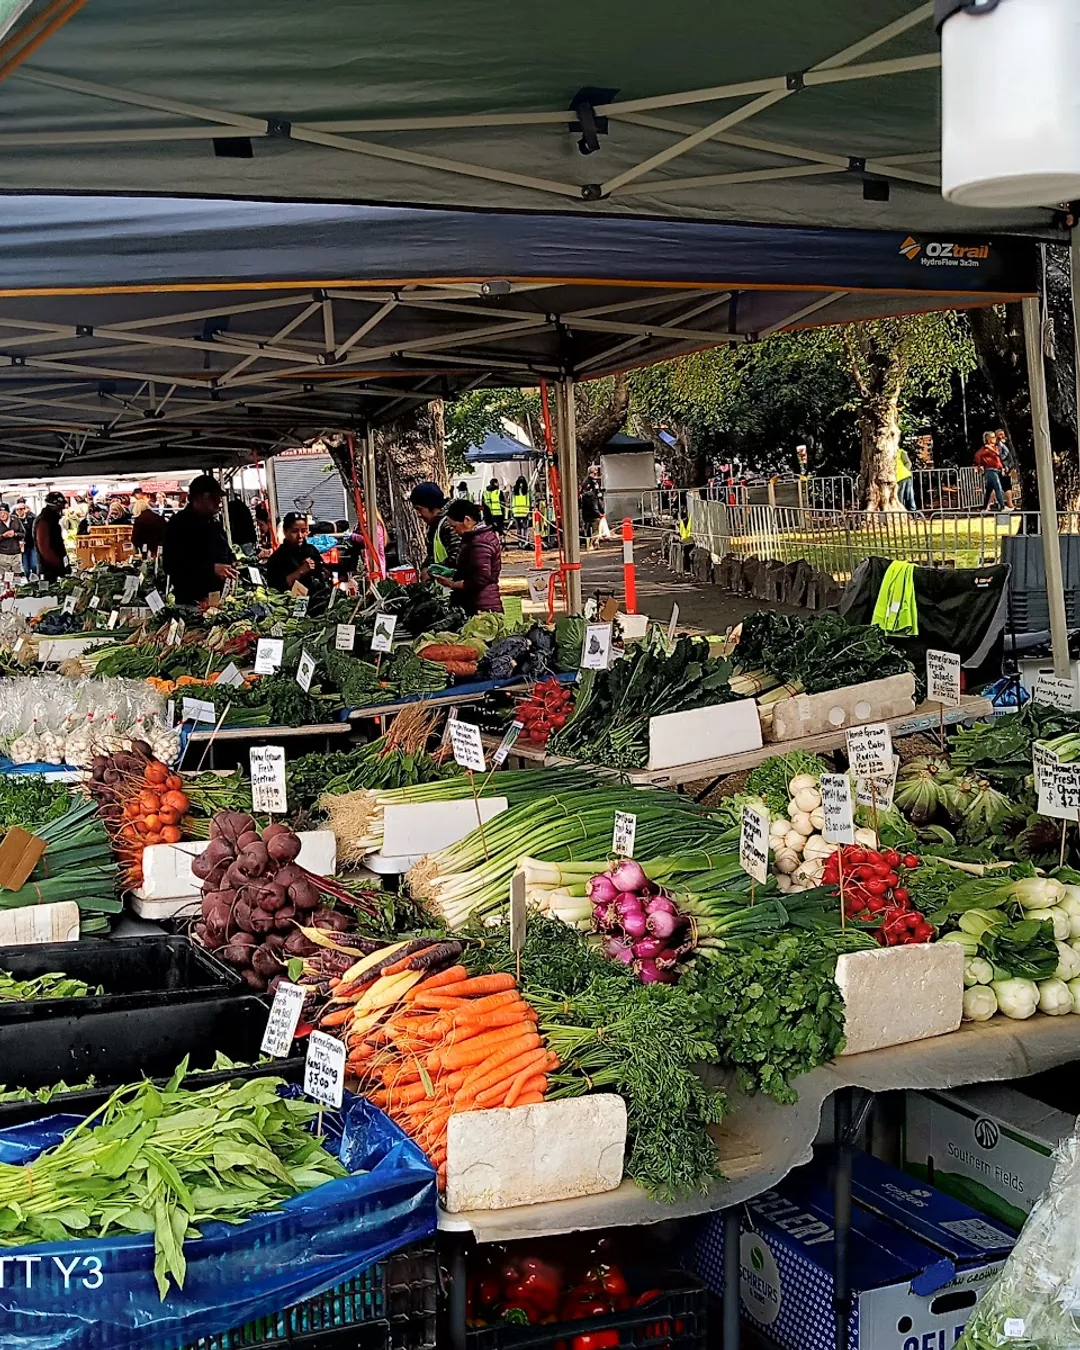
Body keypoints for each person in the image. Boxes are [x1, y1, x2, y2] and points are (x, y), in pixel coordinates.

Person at [162, 474, 237, 605]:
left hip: (217, 598)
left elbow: (224, 548)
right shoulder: (178, 525)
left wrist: (232, 560)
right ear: (199, 498)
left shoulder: (213, 522)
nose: (219, 501)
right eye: (214, 497)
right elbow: (171, 564)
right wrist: (211, 568)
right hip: (192, 600)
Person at [434, 499, 503, 614]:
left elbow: (480, 578)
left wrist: (452, 584)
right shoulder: (477, 538)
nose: (454, 531)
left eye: (454, 526)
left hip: (482, 606)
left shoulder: (479, 543)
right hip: (481, 602)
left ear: (467, 520)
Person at [265, 512, 329, 594]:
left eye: (303, 531)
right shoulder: (277, 558)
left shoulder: (312, 550)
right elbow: (275, 587)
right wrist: (300, 571)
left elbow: (324, 576)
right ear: (285, 531)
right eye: (294, 531)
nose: (300, 535)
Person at [408, 482, 460, 581]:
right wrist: (426, 566)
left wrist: (432, 572)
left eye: (419, 509)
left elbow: (457, 558)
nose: (419, 514)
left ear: (432, 506)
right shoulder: (436, 525)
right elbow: (433, 554)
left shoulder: (449, 524)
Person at [34, 491, 68, 582]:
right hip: (48, 569)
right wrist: (58, 564)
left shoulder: (51, 520)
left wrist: (64, 563)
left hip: (52, 566)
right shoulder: (44, 521)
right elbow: (45, 548)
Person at [975, 431, 1007, 513]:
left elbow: (998, 459)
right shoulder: (985, 449)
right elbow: (977, 456)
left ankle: (984, 508)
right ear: (988, 439)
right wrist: (979, 466)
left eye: (995, 437)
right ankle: (1002, 506)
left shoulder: (995, 447)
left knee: (989, 490)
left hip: (997, 470)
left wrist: (1002, 467)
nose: (995, 439)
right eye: (993, 437)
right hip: (990, 470)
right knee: (998, 487)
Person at [13, 499, 35, 578]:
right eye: (17, 509)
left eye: (21, 509)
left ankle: (35, 580)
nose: (19, 511)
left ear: (25, 509)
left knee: (33, 565)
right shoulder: (14, 521)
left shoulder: (31, 519)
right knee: (25, 567)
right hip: (21, 547)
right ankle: (29, 582)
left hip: (32, 545)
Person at [996, 429, 1016, 509]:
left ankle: (1009, 504)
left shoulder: (1004, 444)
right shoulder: (998, 445)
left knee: (1006, 486)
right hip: (1002, 468)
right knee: (997, 486)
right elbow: (999, 457)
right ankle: (988, 506)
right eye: (1000, 434)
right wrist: (1004, 466)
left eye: (1003, 434)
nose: (1003, 436)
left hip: (1006, 468)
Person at [895, 443, 918, 514]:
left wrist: (905, 471)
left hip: (901, 476)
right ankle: (912, 511)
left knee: (901, 496)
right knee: (909, 495)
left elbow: (908, 463)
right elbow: (908, 463)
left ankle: (904, 512)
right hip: (905, 476)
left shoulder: (900, 452)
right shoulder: (899, 452)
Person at [579, 480, 602, 550]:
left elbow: (580, 505)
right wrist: (601, 512)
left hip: (586, 516)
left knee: (587, 530)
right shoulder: (595, 496)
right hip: (595, 515)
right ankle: (595, 543)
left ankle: (588, 545)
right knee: (596, 530)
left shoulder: (582, 496)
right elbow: (598, 505)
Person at [0, 506, 21, 573]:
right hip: (3, 553)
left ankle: (16, 583)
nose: (2, 515)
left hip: (16, 552)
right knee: (6, 576)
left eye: (4, 513)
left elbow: (23, 533)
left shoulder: (15, 519)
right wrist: (3, 536)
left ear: (8, 513)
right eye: (0, 513)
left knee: (17, 576)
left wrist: (15, 534)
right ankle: (7, 583)